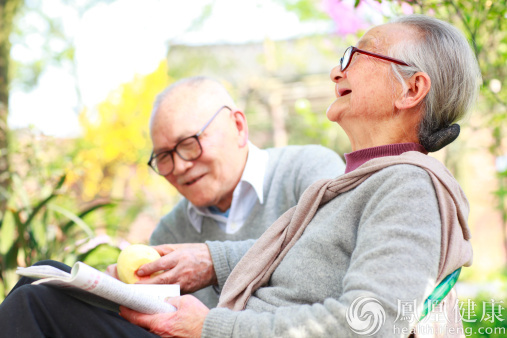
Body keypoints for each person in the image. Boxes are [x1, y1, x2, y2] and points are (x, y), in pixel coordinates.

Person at [0, 14, 479, 338]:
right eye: (164, 156)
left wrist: (210, 327)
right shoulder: (355, 183)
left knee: (35, 308)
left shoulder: (408, 186)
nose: (338, 72)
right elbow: (311, 261)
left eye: (359, 55)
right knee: (45, 283)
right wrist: (210, 263)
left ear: (411, 89)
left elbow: (374, 321)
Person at [143, 77, 345, 307]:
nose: (179, 167)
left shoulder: (309, 170)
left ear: (238, 127)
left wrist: (215, 263)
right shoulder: (169, 234)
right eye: (163, 157)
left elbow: (333, 255)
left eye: (189, 143)